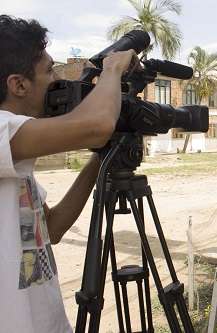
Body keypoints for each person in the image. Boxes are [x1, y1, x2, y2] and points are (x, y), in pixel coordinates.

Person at [0, 16, 138, 333]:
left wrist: (101, 159)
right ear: (18, 84)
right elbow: (97, 125)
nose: (57, 79)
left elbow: (52, 228)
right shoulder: (2, 131)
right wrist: (113, 70)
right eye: (50, 70)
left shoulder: (15, 160)